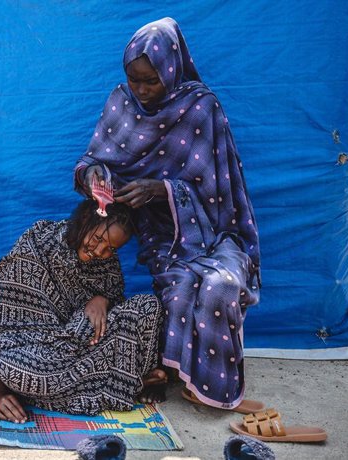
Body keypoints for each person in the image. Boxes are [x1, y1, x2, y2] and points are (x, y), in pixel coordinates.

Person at [74, 18, 262, 412]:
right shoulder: (121, 103)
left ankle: (209, 384)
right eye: (134, 79)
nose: (141, 90)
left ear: (171, 68)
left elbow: (220, 190)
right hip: (163, 234)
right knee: (179, 287)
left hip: (212, 231)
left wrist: (163, 190)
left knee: (221, 285)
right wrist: (95, 177)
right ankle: (179, 372)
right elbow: (94, 160)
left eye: (151, 81)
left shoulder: (201, 107)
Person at [0, 200, 165, 422]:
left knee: (148, 306)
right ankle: (130, 382)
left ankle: (122, 381)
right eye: (98, 238)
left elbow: (117, 317)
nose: (100, 251)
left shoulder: (106, 265)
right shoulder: (38, 244)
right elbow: (4, 328)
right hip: (44, 355)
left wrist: (103, 300)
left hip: (85, 354)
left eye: (111, 248)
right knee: (10, 368)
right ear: (85, 220)